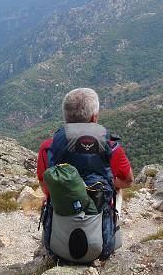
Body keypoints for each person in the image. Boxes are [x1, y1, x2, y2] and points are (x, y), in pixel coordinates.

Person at [36, 87, 133, 263]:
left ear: (66, 117)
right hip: (100, 247)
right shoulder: (110, 146)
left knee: (50, 194)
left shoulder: (48, 147)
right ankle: (107, 229)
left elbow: (45, 184)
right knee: (116, 188)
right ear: (94, 117)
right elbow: (128, 180)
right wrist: (110, 182)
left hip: (57, 245)